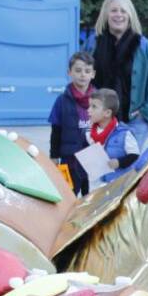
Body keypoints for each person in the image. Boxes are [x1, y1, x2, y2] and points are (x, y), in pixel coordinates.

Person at [91, 0, 148, 149]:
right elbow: (88, 82)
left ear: (130, 15)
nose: (119, 15)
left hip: (136, 121)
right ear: (105, 14)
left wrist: (145, 113)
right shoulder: (96, 44)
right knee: (103, 162)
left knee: (126, 163)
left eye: (123, 11)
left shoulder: (144, 47)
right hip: (103, 120)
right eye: (114, 10)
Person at [49, 52, 97, 195]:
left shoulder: (100, 99)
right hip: (69, 159)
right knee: (69, 194)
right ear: (69, 72)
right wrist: (53, 156)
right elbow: (56, 130)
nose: (83, 75)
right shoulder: (61, 101)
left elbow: (106, 127)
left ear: (93, 74)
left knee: (90, 197)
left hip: (92, 157)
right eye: (78, 70)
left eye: (87, 71)